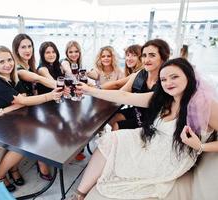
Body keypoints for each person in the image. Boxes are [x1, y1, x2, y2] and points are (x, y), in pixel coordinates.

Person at [72, 57, 218, 200]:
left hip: (170, 158)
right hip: (151, 142)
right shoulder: (164, 98)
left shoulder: (205, 105)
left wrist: (200, 146)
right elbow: (123, 96)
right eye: (164, 79)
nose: (168, 83)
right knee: (111, 138)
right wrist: (88, 90)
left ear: (188, 76)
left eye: (174, 77)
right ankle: (79, 194)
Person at [0, 46, 62, 192]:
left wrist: (2, 111)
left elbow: (23, 98)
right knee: (22, 142)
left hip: (2, 119)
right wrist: (50, 96)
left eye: (9, 60)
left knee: (32, 132)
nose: (7, 64)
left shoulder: (13, 77)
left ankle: (13, 170)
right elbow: (22, 101)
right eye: (2, 61)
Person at [12, 33, 56, 180]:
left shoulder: (29, 66)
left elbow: (34, 89)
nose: (27, 50)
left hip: (30, 108)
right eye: (23, 47)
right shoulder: (19, 69)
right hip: (17, 111)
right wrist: (62, 86)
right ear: (16, 50)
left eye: (29, 46)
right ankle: (41, 163)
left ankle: (46, 158)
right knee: (44, 127)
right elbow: (38, 78)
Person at [108, 39, 170, 131]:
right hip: (137, 111)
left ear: (163, 58)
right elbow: (121, 92)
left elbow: (120, 90)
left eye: (152, 55)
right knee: (112, 117)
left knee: (117, 125)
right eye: (144, 56)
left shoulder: (165, 81)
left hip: (152, 120)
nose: (146, 60)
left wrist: (93, 90)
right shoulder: (141, 73)